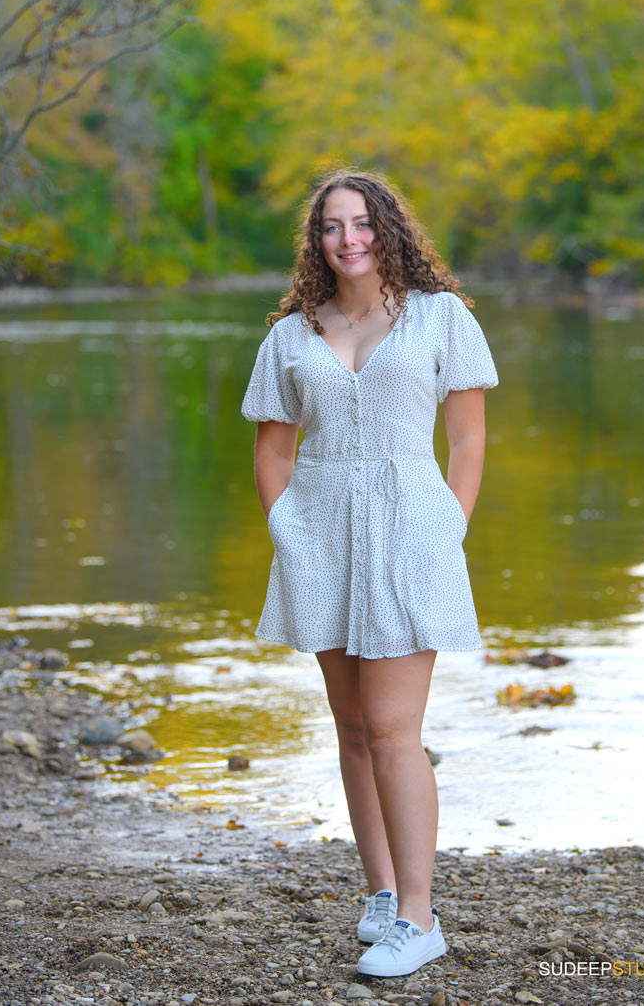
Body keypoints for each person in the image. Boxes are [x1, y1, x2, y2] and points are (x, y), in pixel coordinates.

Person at [241, 168, 498, 978]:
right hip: (318, 534)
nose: (348, 239)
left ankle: (421, 918)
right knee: (352, 730)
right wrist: (288, 530)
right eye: (331, 227)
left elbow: (467, 440)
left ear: (387, 228)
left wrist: (446, 526)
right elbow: (273, 450)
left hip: (410, 531)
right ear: (316, 241)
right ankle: (383, 893)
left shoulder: (438, 318)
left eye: (362, 223)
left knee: (394, 732)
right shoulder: (290, 333)